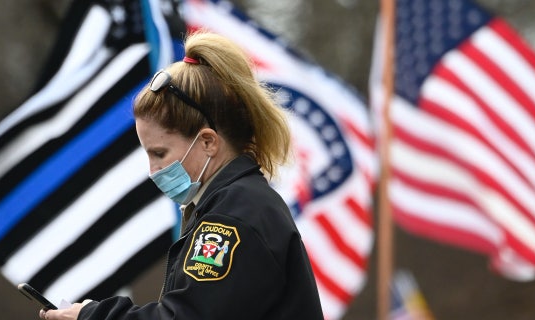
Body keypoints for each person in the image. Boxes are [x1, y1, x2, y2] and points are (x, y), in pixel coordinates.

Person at [39, 30, 324, 320]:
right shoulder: (235, 203)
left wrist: (93, 316)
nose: (153, 171)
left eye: (160, 153)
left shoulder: (230, 218)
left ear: (208, 142)